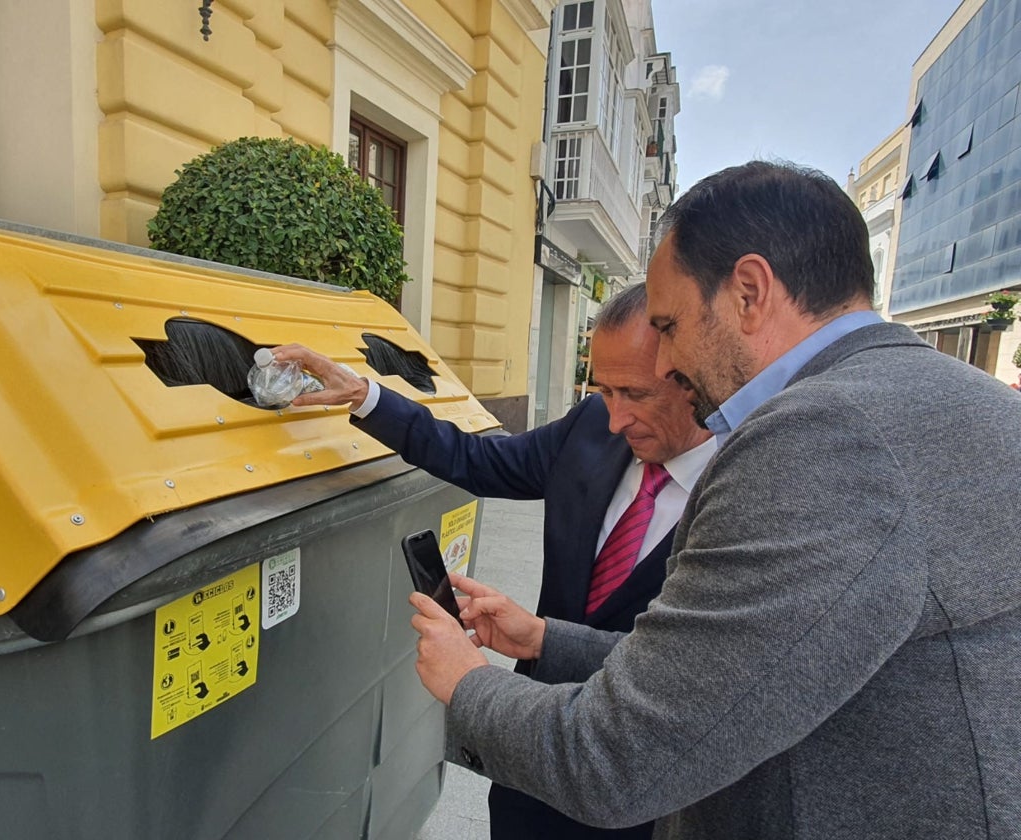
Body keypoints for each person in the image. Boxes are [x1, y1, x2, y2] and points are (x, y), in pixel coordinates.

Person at [406, 160, 1021, 838]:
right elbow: (755, 669)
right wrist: (548, 639)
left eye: (667, 325)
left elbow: (617, 758)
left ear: (749, 293)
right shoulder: (969, 403)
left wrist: (467, 684)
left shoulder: (819, 433)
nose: (664, 363)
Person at [274, 283, 714, 840]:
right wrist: (364, 395)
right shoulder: (590, 431)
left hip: (638, 795)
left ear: (697, 377)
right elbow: (477, 459)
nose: (615, 419)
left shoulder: (747, 494)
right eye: (605, 390)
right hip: (530, 759)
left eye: (637, 393)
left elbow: (694, 675)